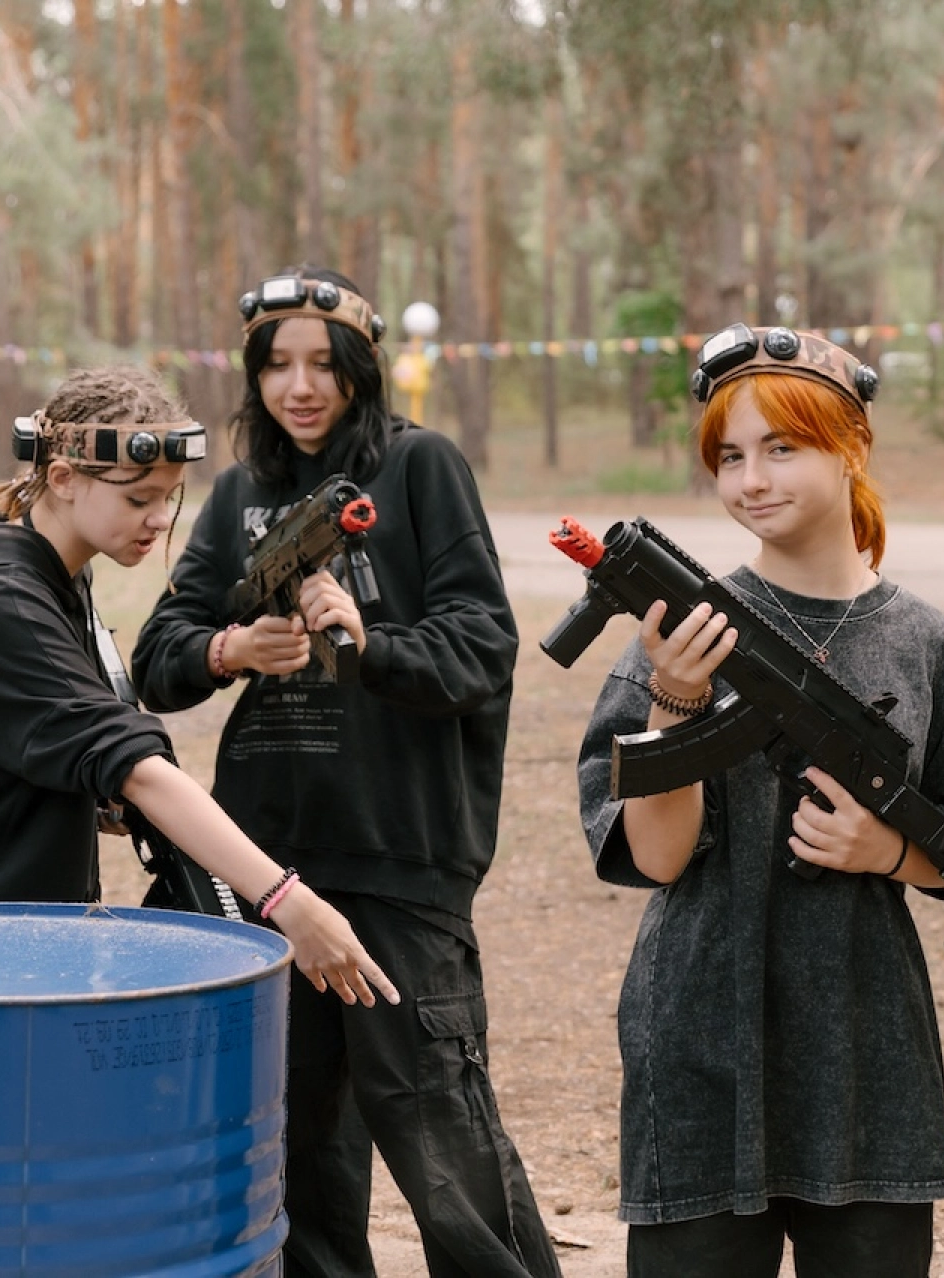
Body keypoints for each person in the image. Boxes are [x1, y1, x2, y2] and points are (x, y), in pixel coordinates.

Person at [130, 268, 561, 1278]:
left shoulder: (420, 470)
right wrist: (232, 651)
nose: (300, 386)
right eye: (276, 366)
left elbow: (480, 649)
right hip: (272, 871)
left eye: (324, 364)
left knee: (439, 1137)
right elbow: (160, 655)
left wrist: (371, 640)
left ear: (362, 370)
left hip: (399, 859)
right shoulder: (240, 494)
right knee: (301, 1153)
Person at [574, 323, 944, 1277]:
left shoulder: (924, 643)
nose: (751, 479)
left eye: (783, 447)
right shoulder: (677, 632)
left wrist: (886, 851)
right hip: (699, 1033)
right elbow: (655, 858)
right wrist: (676, 700)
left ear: (850, 446)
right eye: (730, 457)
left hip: (866, 1052)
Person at [0, 365, 395, 1008]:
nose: (157, 519)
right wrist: (291, 903)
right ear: (62, 479)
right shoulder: (1, 600)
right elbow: (138, 767)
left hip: (0, 948)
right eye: (136, 498)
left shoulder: (52, 572)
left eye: (169, 497)